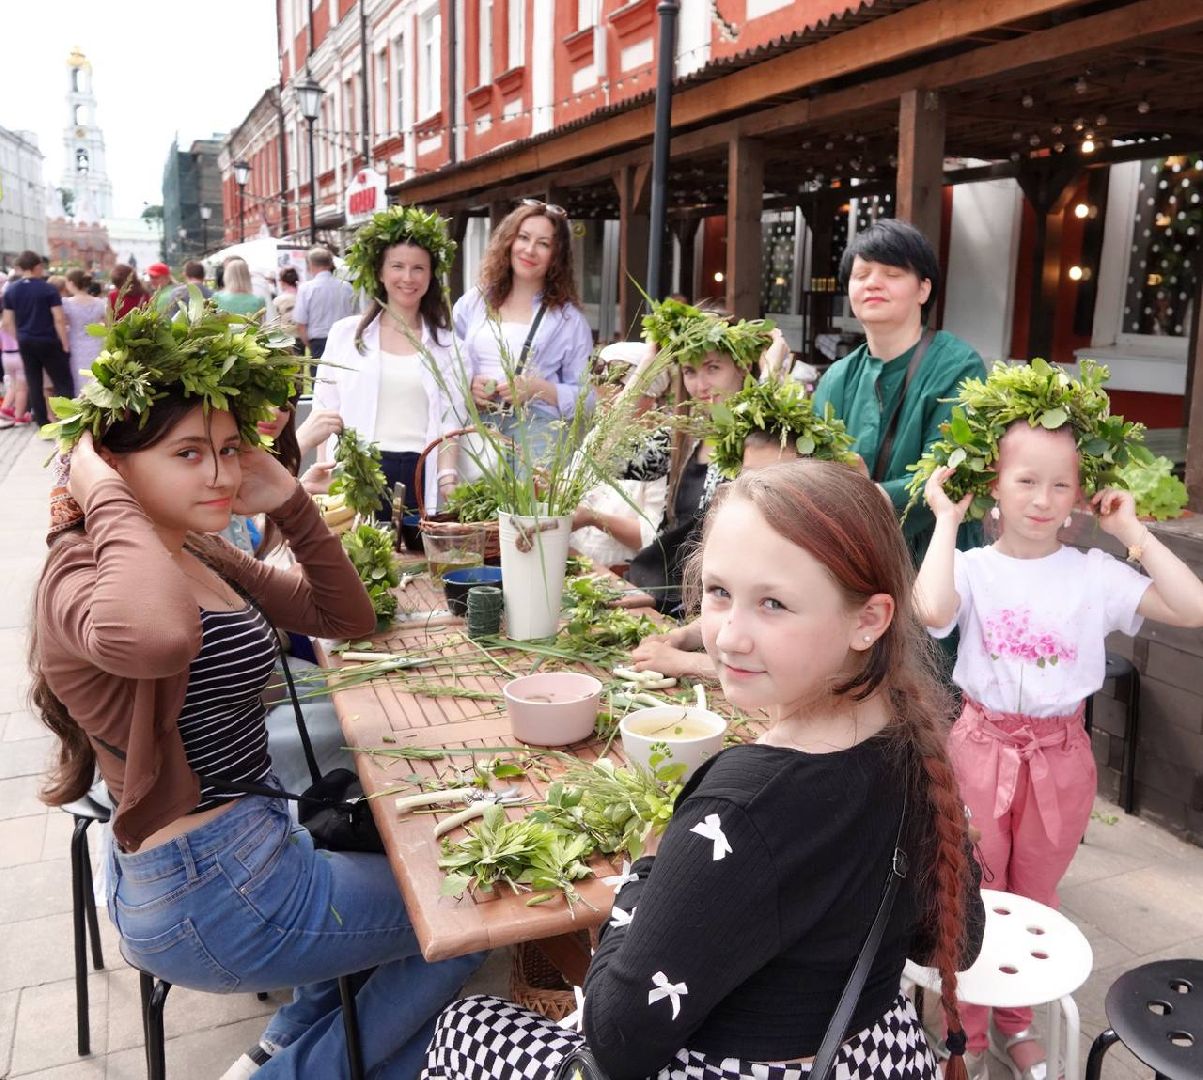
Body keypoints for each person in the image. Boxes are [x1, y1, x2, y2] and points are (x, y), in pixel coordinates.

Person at [30, 303, 482, 1080]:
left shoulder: (196, 549)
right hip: (209, 894)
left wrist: (290, 502)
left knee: (425, 890)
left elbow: (346, 616)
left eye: (229, 448)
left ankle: (278, 1046)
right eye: (187, 453)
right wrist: (98, 489)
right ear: (112, 463)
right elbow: (162, 636)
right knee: (471, 923)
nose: (220, 472)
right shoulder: (79, 573)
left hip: (257, 856)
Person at [424, 459, 984, 1080]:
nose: (728, 637)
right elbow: (958, 939)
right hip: (879, 1052)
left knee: (465, 1022)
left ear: (869, 620)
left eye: (773, 603)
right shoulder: (912, 742)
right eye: (719, 593)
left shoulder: (743, 810)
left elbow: (615, 1039)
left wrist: (647, 868)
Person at [914, 420, 1203, 1080]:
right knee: (972, 888)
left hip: (1059, 755)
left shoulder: (1094, 573)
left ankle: (1017, 1021)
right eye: (1025, 481)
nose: (1041, 498)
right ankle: (967, 1024)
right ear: (993, 485)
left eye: (1059, 485)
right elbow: (932, 612)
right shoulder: (970, 567)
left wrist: (1132, 533)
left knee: (1037, 892)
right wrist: (942, 520)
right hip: (979, 746)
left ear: (1080, 497)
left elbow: (1190, 607)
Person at [812, 219, 987, 565]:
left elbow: (955, 473)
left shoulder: (958, 366)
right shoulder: (837, 377)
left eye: (892, 274)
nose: (873, 283)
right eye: (861, 275)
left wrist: (869, 497)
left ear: (923, 289)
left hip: (931, 560)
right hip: (850, 558)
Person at [624, 299, 773, 614]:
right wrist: (648, 367)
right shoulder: (682, 437)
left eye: (713, 368)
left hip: (719, 612)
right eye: (690, 371)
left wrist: (771, 372)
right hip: (659, 599)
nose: (700, 385)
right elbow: (603, 456)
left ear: (743, 365)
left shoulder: (763, 441)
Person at [315, 206, 464, 517]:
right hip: (358, 471)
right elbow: (325, 410)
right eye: (398, 266)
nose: (407, 278)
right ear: (380, 272)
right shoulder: (345, 335)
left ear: (431, 275)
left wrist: (448, 480)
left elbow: (453, 423)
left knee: (415, 563)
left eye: (418, 268)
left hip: (420, 472)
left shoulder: (450, 346)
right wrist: (324, 470)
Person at [452, 199, 593, 458]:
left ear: (556, 256)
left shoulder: (569, 320)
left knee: (532, 501)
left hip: (537, 436)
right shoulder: (474, 301)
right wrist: (468, 383)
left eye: (544, 244)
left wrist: (538, 388)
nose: (530, 250)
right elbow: (448, 361)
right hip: (475, 427)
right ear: (508, 242)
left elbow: (588, 399)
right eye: (523, 238)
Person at [1, 250, 73, 428]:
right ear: (37, 267)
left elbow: (7, 322)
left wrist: (19, 338)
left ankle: (42, 421)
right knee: (62, 380)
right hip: (48, 340)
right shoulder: (48, 289)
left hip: (25, 341)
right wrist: (65, 343)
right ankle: (69, 417)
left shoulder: (11, 291)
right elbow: (58, 318)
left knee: (34, 381)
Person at [294, 247, 354, 359]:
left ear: (310, 264)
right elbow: (356, 315)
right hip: (344, 339)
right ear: (331, 264)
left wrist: (309, 344)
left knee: (320, 376)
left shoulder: (306, 289)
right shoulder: (347, 287)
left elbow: (300, 323)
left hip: (319, 341)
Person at [62, 269, 107, 385]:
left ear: (71, 283)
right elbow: (109, 325)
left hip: (76, 344)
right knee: (96, 378)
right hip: (97, 343)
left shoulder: (67, 303)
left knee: (79, 378)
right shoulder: (100, 302)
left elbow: (62, 322)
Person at [213, 257, 268, 322]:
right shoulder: (259, 300)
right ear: (247, 275)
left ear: (227, 275)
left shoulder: (217, 298)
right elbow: (261, 326)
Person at [272, 266, 301, 340]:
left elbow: (275, 322)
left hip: (285, 338)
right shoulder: (303, 297)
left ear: (282, 282)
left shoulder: (278, 300)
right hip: (301, 336)